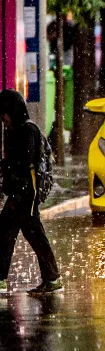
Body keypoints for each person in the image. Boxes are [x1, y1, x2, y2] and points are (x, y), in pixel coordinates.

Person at [0, 89, 62, 294]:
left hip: (26, 194)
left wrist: (16, 190)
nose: (4, 119)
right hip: (23, 193)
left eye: (5, 114)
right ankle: (52, 278)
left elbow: (25, 165)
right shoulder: (16, 130)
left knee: (5, 233)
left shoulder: (27, 131)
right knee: (34, 235)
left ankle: (0, 278)